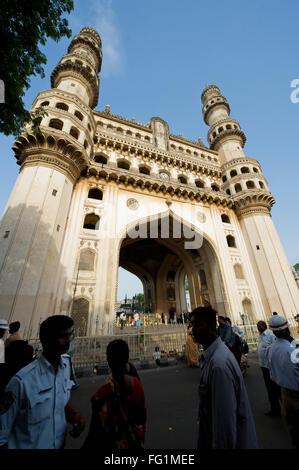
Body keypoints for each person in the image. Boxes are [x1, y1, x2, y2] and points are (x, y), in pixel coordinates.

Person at [0, 315, 85, 449]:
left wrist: (74, 415)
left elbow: (59, 400)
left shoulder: (65, 369)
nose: (68, 340)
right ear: (46, 341)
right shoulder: (22, 382)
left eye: (70, 335)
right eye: (62, 336)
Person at [190, 306, 258, 449]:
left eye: (196, 325)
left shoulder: (219, 365)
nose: (192, 330)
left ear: (210, 326)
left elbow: (224, 425)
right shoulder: (213, 358)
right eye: (191, 325)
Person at [82, 339, 146, 449]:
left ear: (108, 361)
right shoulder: (136, 385)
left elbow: (94, 433)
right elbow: (142, 418)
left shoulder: (102, 394)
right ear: (127, 359)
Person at [266, 315, 299, 448]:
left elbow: (272, 374)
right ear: (287, 330)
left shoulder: (270, 349)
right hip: (297, 396)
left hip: (284, 395)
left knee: (293, 432)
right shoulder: (293, 350)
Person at [256, 320, 281, 416]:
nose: (258, 328)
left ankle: (284, 407)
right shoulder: (260, 336)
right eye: (257, 326)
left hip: (270, 366)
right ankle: (274, 408)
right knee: (269, 389)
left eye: (259, 326)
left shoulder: (270, 336)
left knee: (276, 388)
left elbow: (275, 348)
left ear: (264, 326)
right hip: (264, 366)